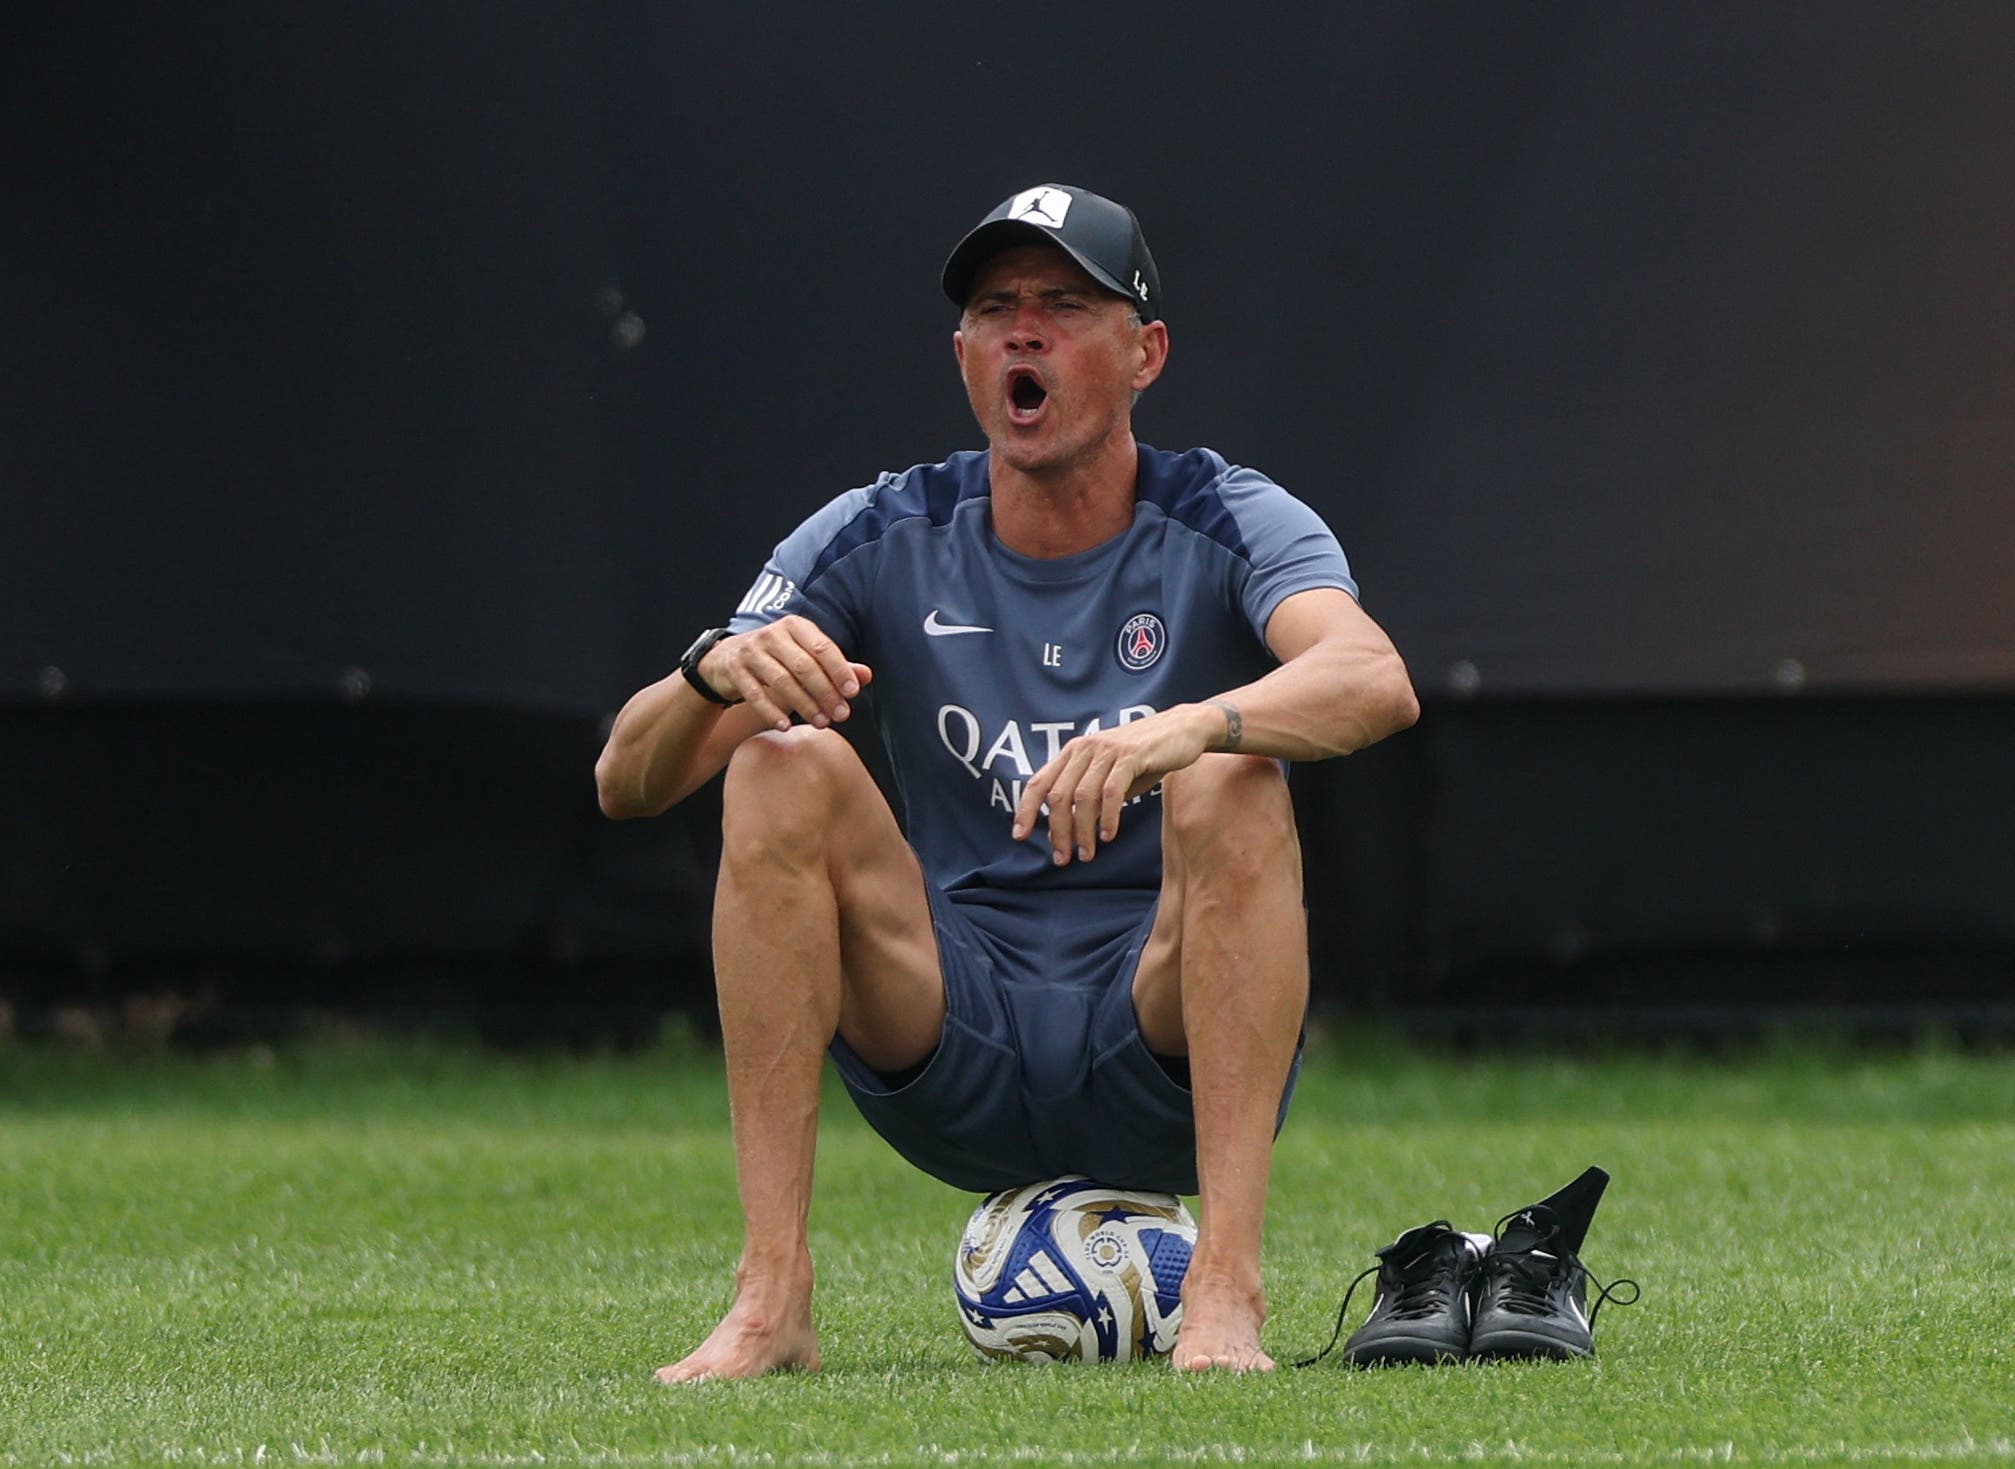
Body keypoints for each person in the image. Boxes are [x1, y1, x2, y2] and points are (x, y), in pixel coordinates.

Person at [594, 184, 1419, 1380]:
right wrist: (711, 672)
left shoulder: (1225, 512)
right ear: (963, 357)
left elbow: (1373, 677)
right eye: (995, 310)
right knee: (778, 763)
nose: (1022, 332)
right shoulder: (880, 528)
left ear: (1144, 352)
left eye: (1062, 305)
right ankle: (771, 1299)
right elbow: (626, 778)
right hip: (952, 1033)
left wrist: (1188, 725)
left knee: (1234, 776)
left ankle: (1224, 1296)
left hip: (1162, 1038)